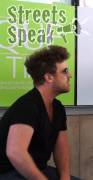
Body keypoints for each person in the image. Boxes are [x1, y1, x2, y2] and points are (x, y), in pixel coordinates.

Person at [0, 45, 79, 180]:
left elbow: (61, 149)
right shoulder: (27, 106)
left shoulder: (58, 108)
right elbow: (15, 152)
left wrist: (65, 177)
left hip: (37, 169)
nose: (70, 75)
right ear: (49, 77)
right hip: (8, 172)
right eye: (65, 71)